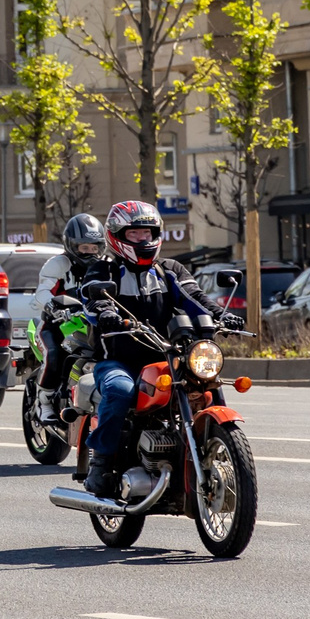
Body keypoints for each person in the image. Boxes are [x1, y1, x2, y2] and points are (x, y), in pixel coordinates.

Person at [82, 199, 219, 503]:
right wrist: (104, 311)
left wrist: (220, 314)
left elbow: (194, 297)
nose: (143, 240)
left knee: (206, 385)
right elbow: (94, 298)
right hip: (119, 360)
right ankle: (101, 463)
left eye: (148, 233)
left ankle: (214, 449)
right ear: (117, 235)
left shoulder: (168, 270)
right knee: (120, 391)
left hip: (167, 358)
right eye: (135, 234)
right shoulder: (103, 269)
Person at [32, 214, 112, 425]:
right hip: (56, 325)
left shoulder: (107, 266)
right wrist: (52, 306)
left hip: (92, 324)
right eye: (84, 248)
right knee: (54, 354)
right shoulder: (58, 264)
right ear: (71, 245)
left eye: (94, 247)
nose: (90, 253)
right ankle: (44, 403)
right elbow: (41, 292)